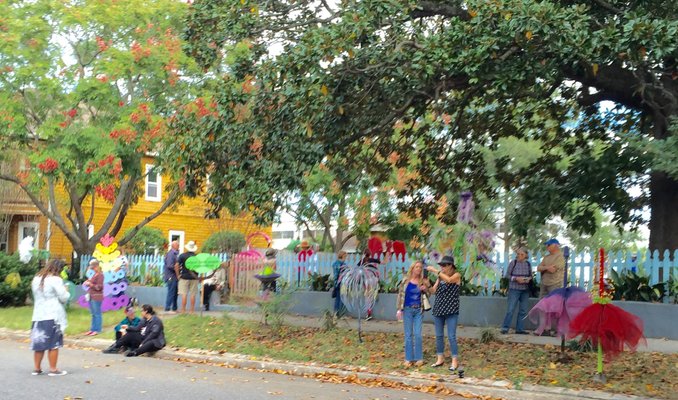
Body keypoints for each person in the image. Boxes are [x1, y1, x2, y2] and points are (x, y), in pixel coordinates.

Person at [30, 259, 70, 376]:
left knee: (39, 342)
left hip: (38, 315)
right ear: (59, 269)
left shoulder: (36, 279)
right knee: (54, 343)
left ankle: (37, 368)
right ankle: (53, 369)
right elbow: (63, 297)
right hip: (53, 315)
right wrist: (66, 291)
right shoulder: (56, 280)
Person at [426, 255, 462, 371]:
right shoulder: (440, 277)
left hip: (451, 310)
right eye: (440, 266)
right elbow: (433, 291)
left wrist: (435, 271)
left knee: (451, 336)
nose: (442, 268)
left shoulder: (457, 276)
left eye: (444, 266)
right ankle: (440, 358)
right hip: (439, 309)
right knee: (439, 336)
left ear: (450, 266)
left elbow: (450, 280)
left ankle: (454, 361)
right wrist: (427, 284)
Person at [395, 261, 430, 367]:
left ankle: (419, 358)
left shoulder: (423, 281)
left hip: (418, 310)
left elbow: (428, 295)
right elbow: (401, 295)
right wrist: (399, 309)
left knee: (418, 334)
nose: (419, 269)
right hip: (407, 310)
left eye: (420, 267)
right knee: (408, 335)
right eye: (417, 267)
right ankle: (408, 358)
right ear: (412, 268)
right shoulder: (406, 281)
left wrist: (426, 289)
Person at [535, 238, 565, 336]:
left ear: (555, 245)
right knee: (543, 307)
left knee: (555, 308)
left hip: (555, 284)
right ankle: (545, 329)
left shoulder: (561, 257)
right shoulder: (546, 257)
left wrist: (545, 268)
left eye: (549, 245)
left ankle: (558, 330)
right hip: (544, 284)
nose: (547, 247)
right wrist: (547, 267)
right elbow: (538, 268)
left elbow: (554, 269)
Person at [500, 248, 532, 334]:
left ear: (526, 255)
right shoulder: (513, 263)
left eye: (521, 254)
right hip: (514, 290)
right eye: (518, 254)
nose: (519, 256)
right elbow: (507, 275)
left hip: (525, 290)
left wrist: (527, 279)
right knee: (510, 309)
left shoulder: (528, 264)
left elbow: (530, 276)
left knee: (523, 310)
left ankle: (519, 329)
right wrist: (516, 278)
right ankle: (505, 328)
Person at [175, 241, 198, 313]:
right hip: (194, 277)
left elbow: (176, 265)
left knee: (184, 294)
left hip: (184, 277)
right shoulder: (197, 257)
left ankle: (183, 310)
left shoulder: (182, 256)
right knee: (193, 294)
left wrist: (178, 275)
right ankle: (192, 310)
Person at [358, 248, 381, 320]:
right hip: (373, 280)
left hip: (366, 281)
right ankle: (375, 294)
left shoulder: (361, 262)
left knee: (367, 297)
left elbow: (357, 269)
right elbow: (382, 262)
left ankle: (369, 313)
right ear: (370, 254)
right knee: (371, 294)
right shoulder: (371, 260)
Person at [83, 259, 104, 336]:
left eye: (94, 267)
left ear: (97, 266)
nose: (93, 269)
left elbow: (99, 287)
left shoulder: (100, 275)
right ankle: (92, 329)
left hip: (97, 297)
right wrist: (87, 282)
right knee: (93, 314)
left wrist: (90, 285)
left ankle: (98, 329)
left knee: (97, 313)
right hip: (91, 296)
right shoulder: (94, 275)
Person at [163, 241, 180, 313]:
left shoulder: (175, 254)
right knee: (171, 292)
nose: (178, 246)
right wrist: (176, 268)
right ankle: (167, 308)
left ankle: (174, 308)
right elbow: (169, 265)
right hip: (171, 276)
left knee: (175, 292)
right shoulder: (171, 254)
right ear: (173, 245)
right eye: (177, 245)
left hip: (174, 276)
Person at [331, 250, 348, 317]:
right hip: (342, 283)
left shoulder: (335, 263)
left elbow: (335, 274)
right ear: (343, 256)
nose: (345, 258)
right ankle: (341, 313)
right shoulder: (343, 265)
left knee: (338, 298)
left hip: (336, 283)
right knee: (342, 298)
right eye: (345, 256)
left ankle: (336, 312)